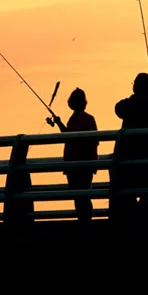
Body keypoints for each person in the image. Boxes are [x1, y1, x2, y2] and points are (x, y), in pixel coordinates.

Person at [112, 73, 148, 221]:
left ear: (135, 87)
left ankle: (133, 221)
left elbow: (117, 108)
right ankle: (143, 221)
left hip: (129, 156)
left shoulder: (127, 105)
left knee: (128, 194)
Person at [49, 88, 99, 223]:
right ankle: (84, 220)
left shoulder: (83, 118)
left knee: (80, 195)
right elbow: (69, 136)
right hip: (79, 163)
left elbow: (73, 138)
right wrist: (59, 123)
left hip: (79, 163)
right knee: (81, 195)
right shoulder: (80, 119)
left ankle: (84, 220)